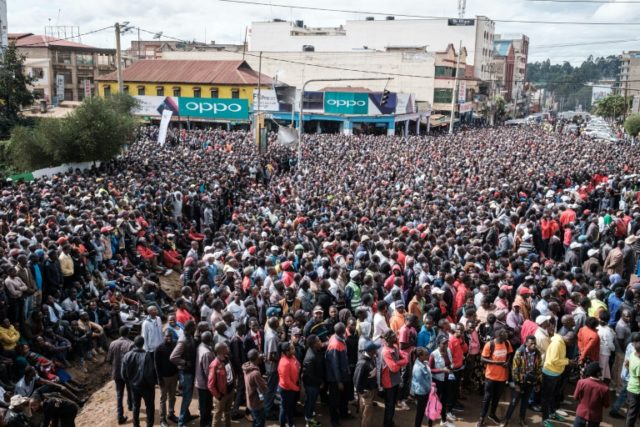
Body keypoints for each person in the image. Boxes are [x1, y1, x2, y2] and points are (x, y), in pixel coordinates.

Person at [501, 335, 542, 427]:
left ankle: (522, 420)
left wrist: (538, 382)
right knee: (514, 401)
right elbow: (515, 369)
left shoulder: (537, 353)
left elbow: (539, 368)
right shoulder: (520, 352)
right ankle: (506, 419)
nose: (534, 345)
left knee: (525, 402)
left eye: (535, 343)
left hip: (531, 382)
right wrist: (516, 384)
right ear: (526, 343)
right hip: (520, 382)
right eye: (531, 343)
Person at [477, 328, 513, 427]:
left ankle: (492, 414)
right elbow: (482, 359)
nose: (506, 334)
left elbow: (510, 354)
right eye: (504, 333)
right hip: (491, 376)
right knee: (487, 398)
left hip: (502, 377)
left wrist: (508, 362)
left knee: (497, 397)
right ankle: (481, 418)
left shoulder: (507, 343)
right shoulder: (489, 344)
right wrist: (497, 363)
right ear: (498, 336)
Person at [121, 335, 157, 427]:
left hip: (134, 386)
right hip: (146, 387)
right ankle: (149, 425)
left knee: (136, 406)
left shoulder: (127, 356)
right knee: (149, 407)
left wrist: (129, 383)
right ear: (143, 344)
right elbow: (150, 373)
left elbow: (123, 373)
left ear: (134, 343)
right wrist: (151, 385)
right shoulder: (147, 356)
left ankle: (136, 425)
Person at [542, 332, 575, 427]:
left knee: (553, 396)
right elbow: (554, 360)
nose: (571, 345)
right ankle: (545, 419)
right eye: (572, 343)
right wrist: (567, 361)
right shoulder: (557, 344)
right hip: (550, 374)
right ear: (569, 339)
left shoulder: (562, 342)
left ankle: (552, 413)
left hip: (556, 373)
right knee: (546, 398)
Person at [170, 319, 198, 427]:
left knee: (188, 395)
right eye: (194, 327)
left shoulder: (189, 336)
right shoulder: (183, 340)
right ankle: (181, 423)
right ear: (190, 328)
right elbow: (173, 357)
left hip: (189, 372)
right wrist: (185, 362)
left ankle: (187, 415)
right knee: (187, 396)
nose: (195, 328)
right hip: (186, 373)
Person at [381, 329, 409, 427]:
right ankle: (387, 424)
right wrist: (400, 363)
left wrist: (398, 363)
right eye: (393, 336)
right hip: (388, 382)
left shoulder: (395, 347)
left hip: (395, 380)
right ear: (388, 339)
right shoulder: (385, 351)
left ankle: (390, 422)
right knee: (389, 405)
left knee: (393, 403)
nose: (396, 337)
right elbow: (393, 368)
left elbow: (405, 359)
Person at [106, 325, 133, 425]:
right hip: (128, 373)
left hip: (117, 372)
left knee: (119, 395)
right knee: (130, 390)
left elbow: (109, 359)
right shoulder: (131, 344)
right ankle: (131, 405)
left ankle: (120, 416)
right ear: (128, 333)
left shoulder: (113, 343)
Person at [326, 322, 351, 427]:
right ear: (342, 332)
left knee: (343, 397)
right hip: (335, 378)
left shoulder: (335, 338)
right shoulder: (336, 344)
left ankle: (343, 414)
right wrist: (339, 381)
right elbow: (335, 365)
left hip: (342, 374)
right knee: (334, 400)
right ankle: (334, 420)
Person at [573, 361, 610, 427]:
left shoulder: (581, 382)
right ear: (598, 373)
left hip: (581, 413)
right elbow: (606, 405)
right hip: (595, 417)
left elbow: (575, 397)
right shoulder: (605, 388)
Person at [208, 341, 235, 427]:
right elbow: (210, 385)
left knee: (228, 413)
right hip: (221, 396)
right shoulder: (214, 365)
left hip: (230, 392)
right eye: (226, 347)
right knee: (217, 417)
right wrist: (218, 396)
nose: (228, 348)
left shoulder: (227, 359)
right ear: (222, 350)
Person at [353, 340, 380, 427]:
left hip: (369, 390)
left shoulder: (371, 359)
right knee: (367, 415)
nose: (377, 350)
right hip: (366, 392)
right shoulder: (363, 363)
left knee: (365, 412)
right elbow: (356, 379)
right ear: (371, 351)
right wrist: (361, 391)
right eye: (375, 349)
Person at [155, 329, 179, 426]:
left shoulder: (175, 345)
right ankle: (162, 419)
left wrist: (177, 374)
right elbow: (156, 365)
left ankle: (171, 414)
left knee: (172, 397)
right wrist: (159, 379)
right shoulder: (159, 348)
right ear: (163, 337)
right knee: (163, 399)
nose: (169, 338)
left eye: (170, 336)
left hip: (174, 376)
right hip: (164, 378)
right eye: (167, 336)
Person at [302, 334, 325, 427]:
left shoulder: (315, 351)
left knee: (310, 401)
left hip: (313, 383)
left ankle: (308, 414)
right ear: (314, 344)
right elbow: (310, 375)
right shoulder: (310, 357)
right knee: (311, 401)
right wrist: (320, 382)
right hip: (311, 384)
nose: (320, 342)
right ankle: (309, 420)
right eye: (319, 340)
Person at [278, 341, 301, 427]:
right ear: (287, 351)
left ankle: (290, 423)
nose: (294, 350)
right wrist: (296, 388)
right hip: (286, 389)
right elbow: (286, 381)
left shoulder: (292, 357)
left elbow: (297, 365)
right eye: (292, 349)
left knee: (290, 407)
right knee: (284, 409)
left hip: (292, 388)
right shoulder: (284, 363)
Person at [195, 331, 215, 427]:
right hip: (204, 384)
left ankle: (207, 420)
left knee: (205, 404)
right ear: (209, 339)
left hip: (200, 381)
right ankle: (205, 423)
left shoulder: (200, 346)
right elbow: (208, 372)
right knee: (205, 405)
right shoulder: (206, 353)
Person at [244, 349, 267, 427]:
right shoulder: (255, 373)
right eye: (258, 354)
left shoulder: (247, 366)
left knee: (256, 420)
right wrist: (264, 382)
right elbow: (263, 388)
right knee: (260, 422)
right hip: (256, 402)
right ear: (257, 357)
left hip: (250, 401)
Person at [411, 347, 432, 427]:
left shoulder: (424, 363)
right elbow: (422, 383)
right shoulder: (418, 368)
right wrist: (431, 389)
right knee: (420, 413)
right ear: (420, 356)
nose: (428, 356)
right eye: (426, 355)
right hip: (421, 393)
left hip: (426, 391)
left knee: (427, 410)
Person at [626, 332, 640, 426]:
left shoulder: (632, 354)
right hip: (637, 390)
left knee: (631, 412)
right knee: (632, 414)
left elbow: (626, 364)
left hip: (631, 386)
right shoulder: (639, 363)